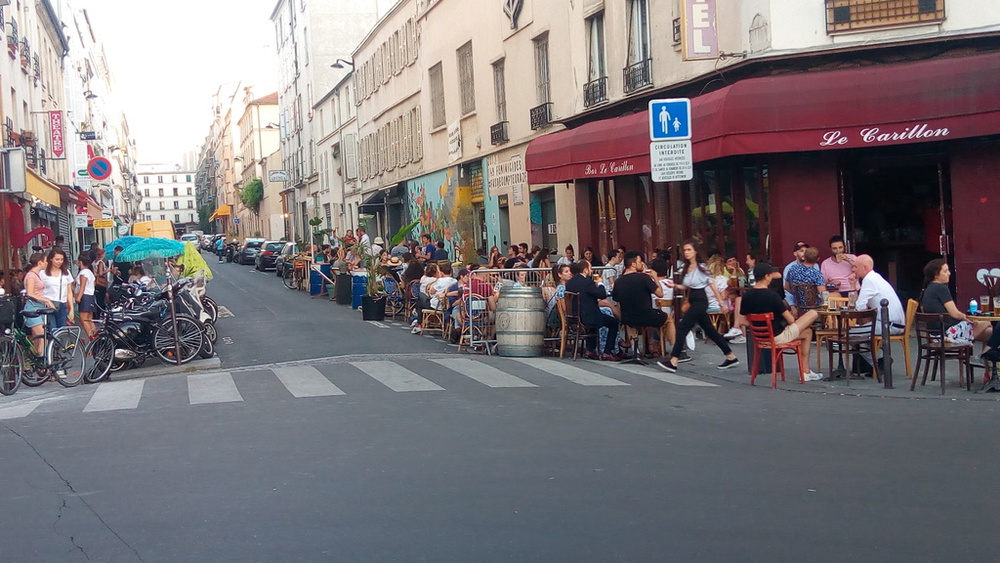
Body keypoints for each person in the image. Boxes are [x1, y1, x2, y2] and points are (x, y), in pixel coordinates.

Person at [659, 239, 739, 373]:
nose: (686, 253)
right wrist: (674, 286)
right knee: (710, 331)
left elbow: (712, 284)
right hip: (693, 299)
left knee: (683, 327)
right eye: (685, 250)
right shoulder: (686, 267)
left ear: (695, 251)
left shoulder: (701, 267)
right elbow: (686, 286)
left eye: (689, 250)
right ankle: (730, 356)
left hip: (700, 300)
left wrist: (721, 303)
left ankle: (674, 360)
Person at [740, 263, 823, 381]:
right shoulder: (772, 296)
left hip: (760, 338)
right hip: (777, 336)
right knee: (813, 313)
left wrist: (759, 325)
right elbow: (790, 320)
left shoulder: (746, 296)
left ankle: (806, 370)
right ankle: (805, 371)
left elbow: (742, 321)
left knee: (807, 332)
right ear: (767, 276)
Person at [918, 258, 992, 345]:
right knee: (987, 322)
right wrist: (966, 317)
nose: (949, 273)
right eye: (945, 271)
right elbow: (955, 314)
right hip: (947, 333)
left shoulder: (929, 288)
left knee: (989, 332)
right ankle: (981, 353)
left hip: (935, 335)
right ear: (936, 275)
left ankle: (985, 356)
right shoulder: (941, 288)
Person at [565, 260, 619, 361]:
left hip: (574, 317)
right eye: (590, 268)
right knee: (614, 322)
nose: (591, 270)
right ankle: (607, 352)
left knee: (593, 317)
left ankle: (590, 350)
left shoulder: (570, 282)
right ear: (585, 270)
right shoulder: (587, 282)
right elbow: (602, 295)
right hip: (588, 317)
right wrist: (600, 283)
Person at [612, 251, 667, 349]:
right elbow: (660, 294)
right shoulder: (644, 278)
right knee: (669, 319)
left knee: (629, 322)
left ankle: (635, 350)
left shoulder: (618, 281)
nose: (642, 264)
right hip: (646, 316)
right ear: (633, 264)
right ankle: (674, 348)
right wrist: (655, 277)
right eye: (640, 261)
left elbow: (617, 299)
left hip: (628, 317)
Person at [852, 254, 905, 336]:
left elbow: (859, 307)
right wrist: (853, 284)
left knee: (850, 333)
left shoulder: (869, 280)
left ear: (864, 268)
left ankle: (863, 349)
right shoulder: (875, 277)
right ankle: (870, 349)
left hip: (888, 325)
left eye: (855, 267)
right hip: (894, 324)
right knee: (859, 331)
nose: (853, 269)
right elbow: (860, 305)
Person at [22, 253, 55, 356]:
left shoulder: (37, 275)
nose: (47, 263)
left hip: (39, 308)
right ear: (40, 262)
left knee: (38, 339)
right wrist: (46, 300)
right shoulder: (31, 276)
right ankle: (41, 362)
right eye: (45, 261)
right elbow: (30, 293)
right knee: (42, 337)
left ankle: (35, 361)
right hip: (33, 308)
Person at [39, 247, 74, 331]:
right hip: (48, 304)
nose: (59, 262)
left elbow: (69, 291)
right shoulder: (43, 273)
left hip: (62, 304)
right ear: (51, 259)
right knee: (52, 330)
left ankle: (60, 344)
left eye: (62, 259)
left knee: (62, 331)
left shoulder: (66, 273)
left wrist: (71, 309)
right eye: (57, 259)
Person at [785, 246, 826, 313]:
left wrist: (798, 294)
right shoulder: (816, 274)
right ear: (818, 259)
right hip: (814, 308)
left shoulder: (792, 269)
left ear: (804, 257)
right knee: (836, 296)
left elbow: (786, 287)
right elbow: (823, 294)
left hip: (798, 306)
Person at [783, 242, 818, 308]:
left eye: (806, 251)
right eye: (801, 251)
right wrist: (792, 306)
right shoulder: (789, 267)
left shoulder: (815, 266)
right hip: (795, 302)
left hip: (814, 301)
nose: (804, 253)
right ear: (795, 253)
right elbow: (786, 289)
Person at [75, 252, 97, 339]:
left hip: (84, 297)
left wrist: (78, 297)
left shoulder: (83, 272)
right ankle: (95, 339)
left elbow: (82, 286)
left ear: (80, 262)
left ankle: (91, 339)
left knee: (84, 320)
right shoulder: (90, 272)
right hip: (91, 296)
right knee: (90, 320)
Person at [92, 248, 109, 315]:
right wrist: (107, 270)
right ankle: (100, 314)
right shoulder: (101, 262)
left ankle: (95, 314)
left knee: (96, 298)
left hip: (95, 282)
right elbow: (101, 273)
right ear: (102, 254)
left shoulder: (94, 262)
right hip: (101, 282)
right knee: (101, 299)